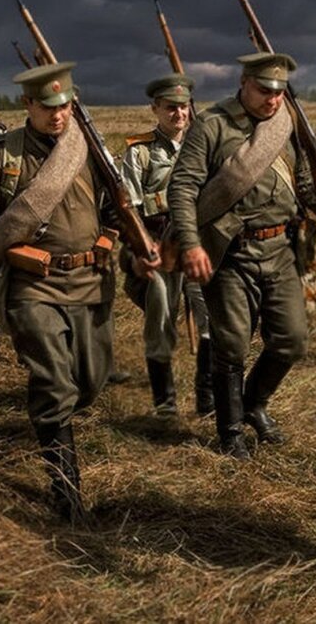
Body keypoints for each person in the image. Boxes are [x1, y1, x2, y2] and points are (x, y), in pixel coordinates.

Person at [0, 62, 156, 521]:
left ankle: (48, 419)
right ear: (28, 105)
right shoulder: (5, 156)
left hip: (90, 285)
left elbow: (116, 215)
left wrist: (125, 245)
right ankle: (66, 490)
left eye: (64, 106)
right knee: (55, 383)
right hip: (31, 288)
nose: (57, 116)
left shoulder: (90, 151)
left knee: (90, 382)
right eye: (47, 107)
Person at [168, 53, 316, 460]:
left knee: (292, 339)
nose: (272, 99)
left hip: (282, 249)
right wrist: (191, 244)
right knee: (231, 344)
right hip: (231, 251)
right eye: (264, 90)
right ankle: (230, 430)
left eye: (279, 91)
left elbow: (305, 185)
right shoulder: (212, 125)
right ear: (244, 82)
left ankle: (253, 404)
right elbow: (182, 188)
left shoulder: (287, 125)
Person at [121, 73, 213, 417]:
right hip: (158, 244)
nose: (179, 114)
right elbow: (129, 206)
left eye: (184, 106)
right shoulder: (140, 152)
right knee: (160, 316)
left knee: (211, 318)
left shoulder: (206, 146)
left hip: (197, 244)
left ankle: (207, 399)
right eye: (171, 108)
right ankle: (165, 400)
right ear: (155, 109)